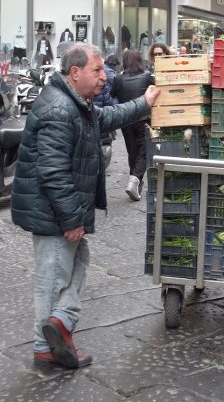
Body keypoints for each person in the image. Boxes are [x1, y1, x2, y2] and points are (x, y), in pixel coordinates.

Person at [10, 42, 161, 369]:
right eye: (97, 71)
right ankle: (45, 346)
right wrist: (70, 219)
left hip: (58, 210)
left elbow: (107, 117)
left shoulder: (76, 102)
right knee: (53, 278)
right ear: (75, 72)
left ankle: (60, 324)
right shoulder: (59, 109)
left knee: (77, 262)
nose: (104, 77)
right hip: (52, 213)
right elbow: (52, 172)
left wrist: (144, 102)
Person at [110, 49, 155, 201]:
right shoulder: (147, 77)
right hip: (145, 119)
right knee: (144, 151)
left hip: (126, 119)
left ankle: (135, 182)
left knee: (132, 151)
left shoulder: (118, 78)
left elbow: (112, 94)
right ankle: (134, 180)